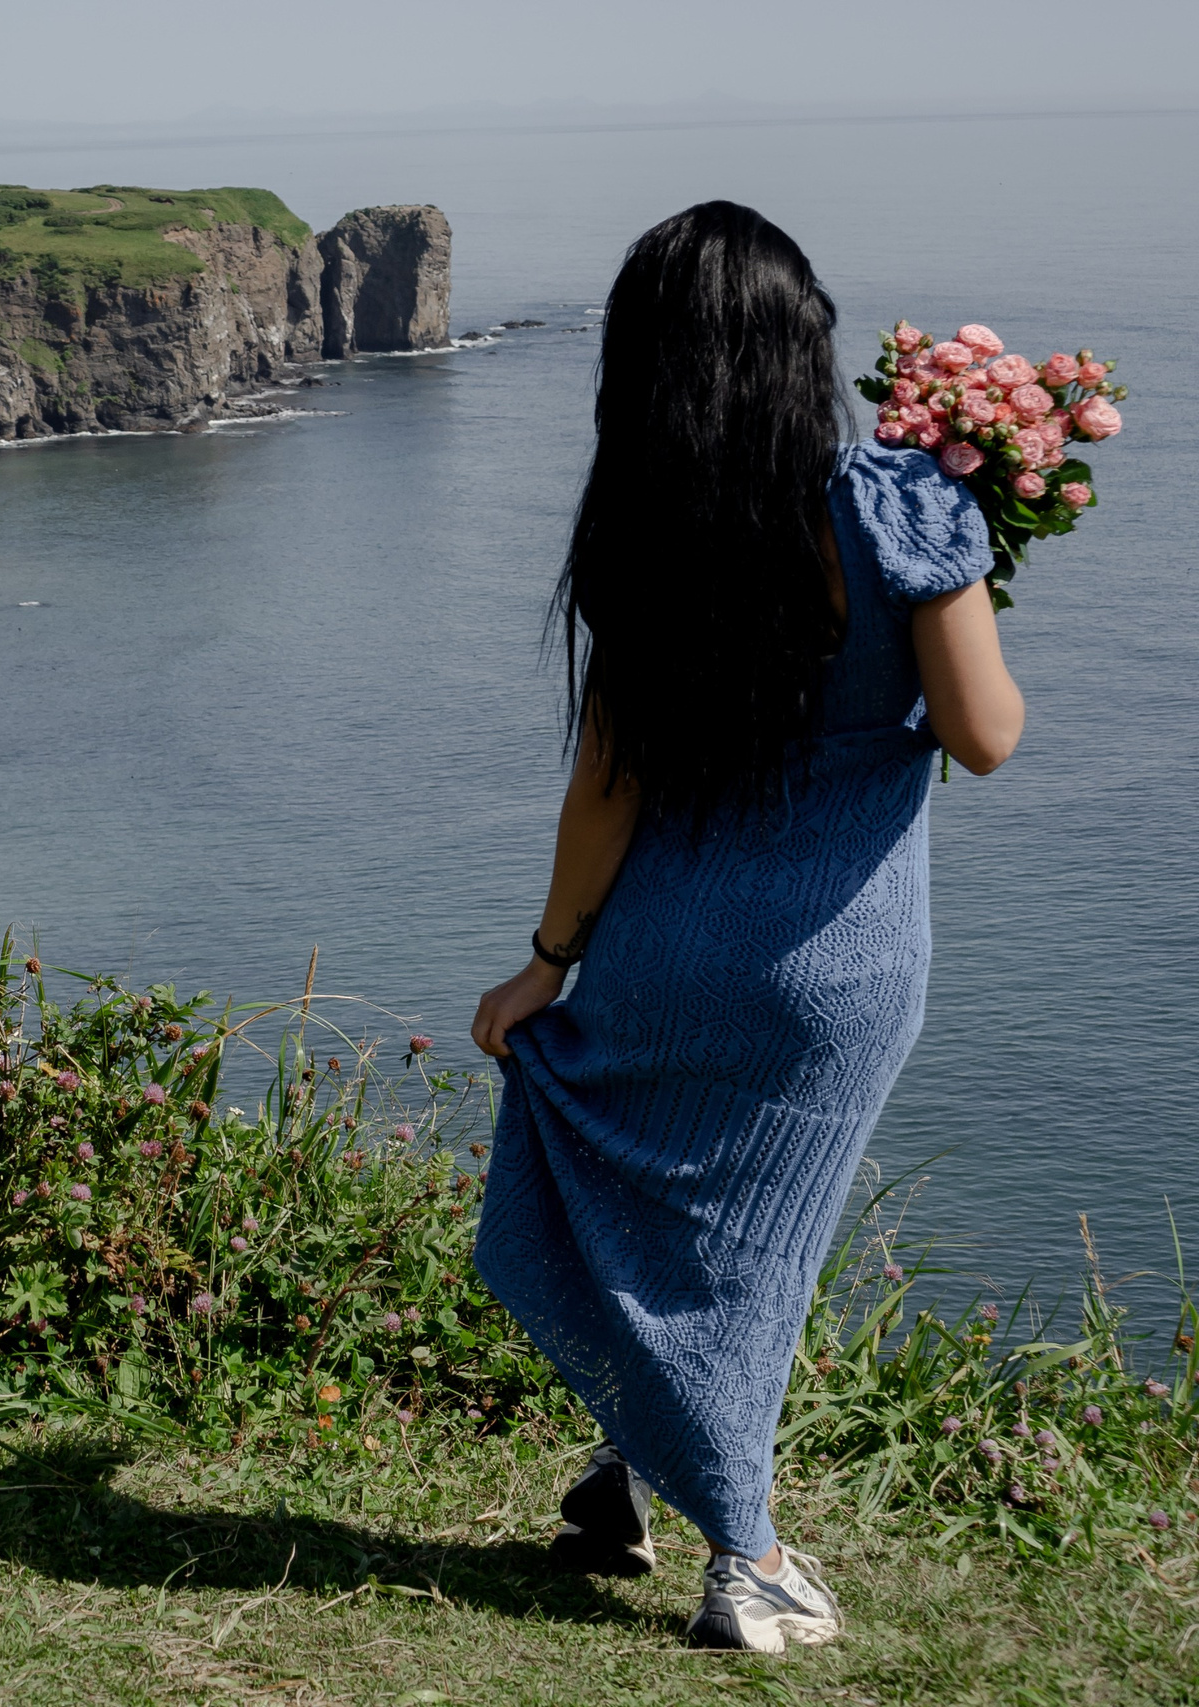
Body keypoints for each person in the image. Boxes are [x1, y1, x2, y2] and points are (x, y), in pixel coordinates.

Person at [467, 202, 1024, 1655]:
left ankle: (622, 1471)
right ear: (808, 341)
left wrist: (550, 959)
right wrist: (962, 570)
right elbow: (986, 737)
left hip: (661, 944)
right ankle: (754, 1560)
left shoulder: (649, 531)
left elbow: (608, 781)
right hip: (834, 964)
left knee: (661, 1215)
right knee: (756, 1259)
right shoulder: (903, 504)